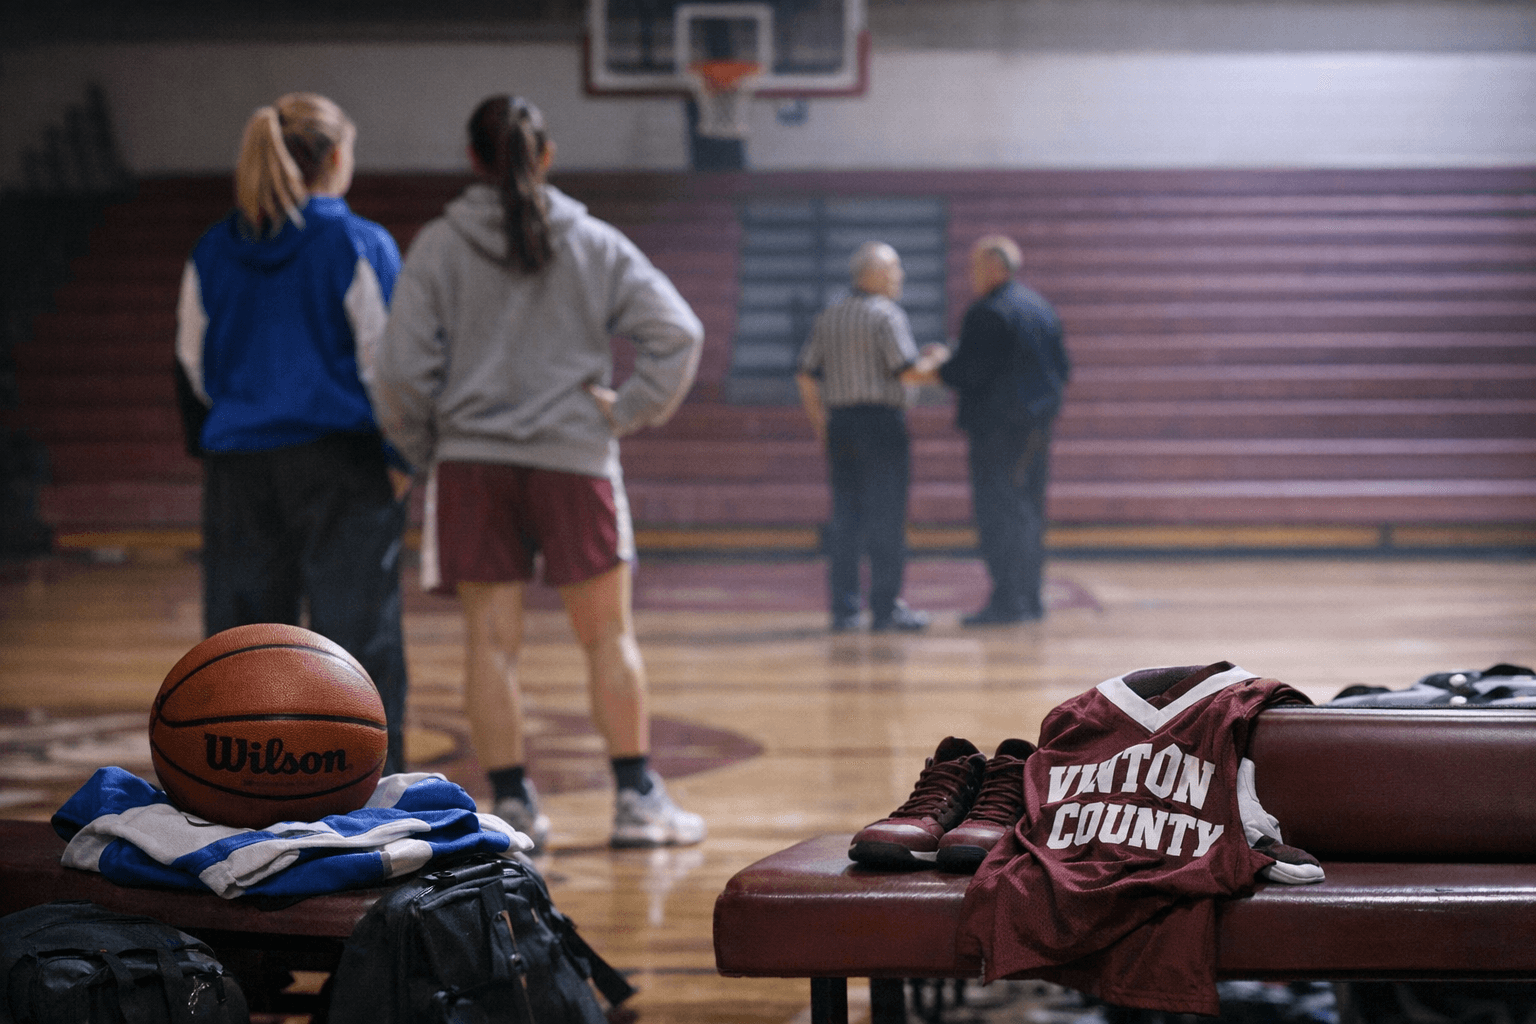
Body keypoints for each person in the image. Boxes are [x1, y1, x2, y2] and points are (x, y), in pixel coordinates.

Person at [370, 95, 706, 852]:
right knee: (609, 636)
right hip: (574, 459)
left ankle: (516, 809)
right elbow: (678, 332)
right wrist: (625, 411)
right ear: (545, 155)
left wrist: (427, 449)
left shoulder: (439, 246)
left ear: (472, 159)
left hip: (472, 464)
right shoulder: (592, 240)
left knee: (490, 643)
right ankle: (635, 801)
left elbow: (396, 370)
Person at [174, 93, 412, 775]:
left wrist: (238, 427)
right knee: (358, 647)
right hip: (343, 462)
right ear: (337, 156)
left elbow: (192, 362)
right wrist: (399, 459)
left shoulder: (212, 248)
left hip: (239, 467)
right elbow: (387, 368)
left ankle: (237, 794)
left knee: (242, 648)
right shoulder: (357, 242)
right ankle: (368, 801)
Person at [795, 242, 948, 633]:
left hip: (842, 424)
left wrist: (821, 426)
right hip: (881, 425)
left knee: (846, 518)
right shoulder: (886, 315)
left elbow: (805, 375)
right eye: (894, 269)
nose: (900, 277)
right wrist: (939, 361)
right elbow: (908, 373)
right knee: (887, 519)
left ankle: (844, 610)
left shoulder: (829, 315)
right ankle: (884, 609)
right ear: (875, 275)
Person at [937, 234, 1070, 625]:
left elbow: (968, 372)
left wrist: (943, 365)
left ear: (995, 266)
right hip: (1036, 427)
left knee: (999, 514)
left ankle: (1008, 601)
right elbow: (1063, 369)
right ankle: (1029, 598)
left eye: (977, 266)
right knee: (1029, 512)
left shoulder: (987, 311)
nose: (971, 274)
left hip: (997, 431)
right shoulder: (1041, 308)